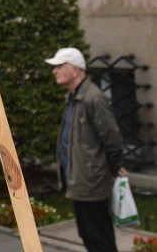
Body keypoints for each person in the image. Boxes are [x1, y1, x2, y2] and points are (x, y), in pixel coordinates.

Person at [47, 47, 126, 252]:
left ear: (75, 69)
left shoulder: (93, 98)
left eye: (59, 66)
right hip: (80, 180)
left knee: (99, 238)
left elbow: (112, 138)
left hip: (91, 181)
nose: (54, 71)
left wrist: (116, 166)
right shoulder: (74, 97)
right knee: (88, 235)